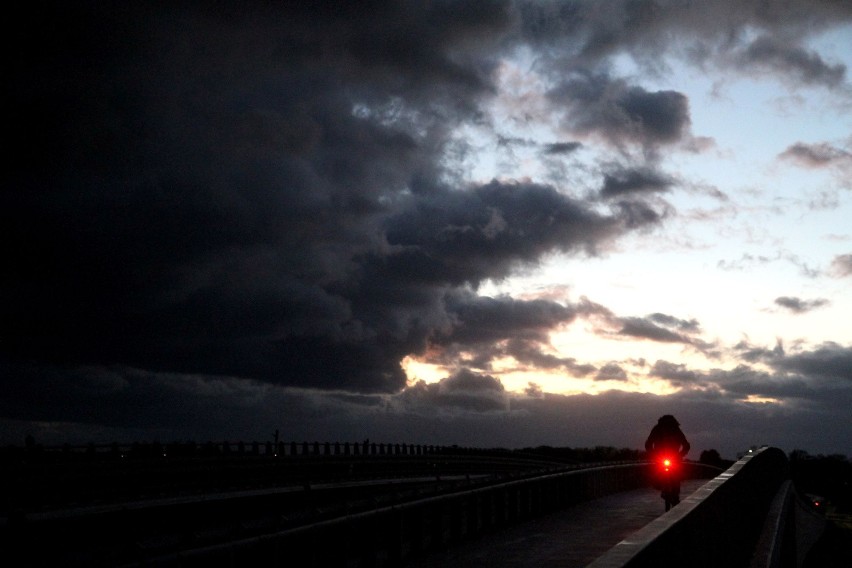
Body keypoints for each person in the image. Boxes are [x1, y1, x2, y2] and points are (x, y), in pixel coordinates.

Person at [645, 415, 691, 507]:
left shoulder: (660, 428)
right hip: (664, 458)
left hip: (672, 458)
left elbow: (648, 444)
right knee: (664, 474)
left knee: (675, 476)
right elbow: (686, 446)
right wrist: (680, 454)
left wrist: (679, 455)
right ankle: (667, 491)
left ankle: (673, 494)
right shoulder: (674, 429)